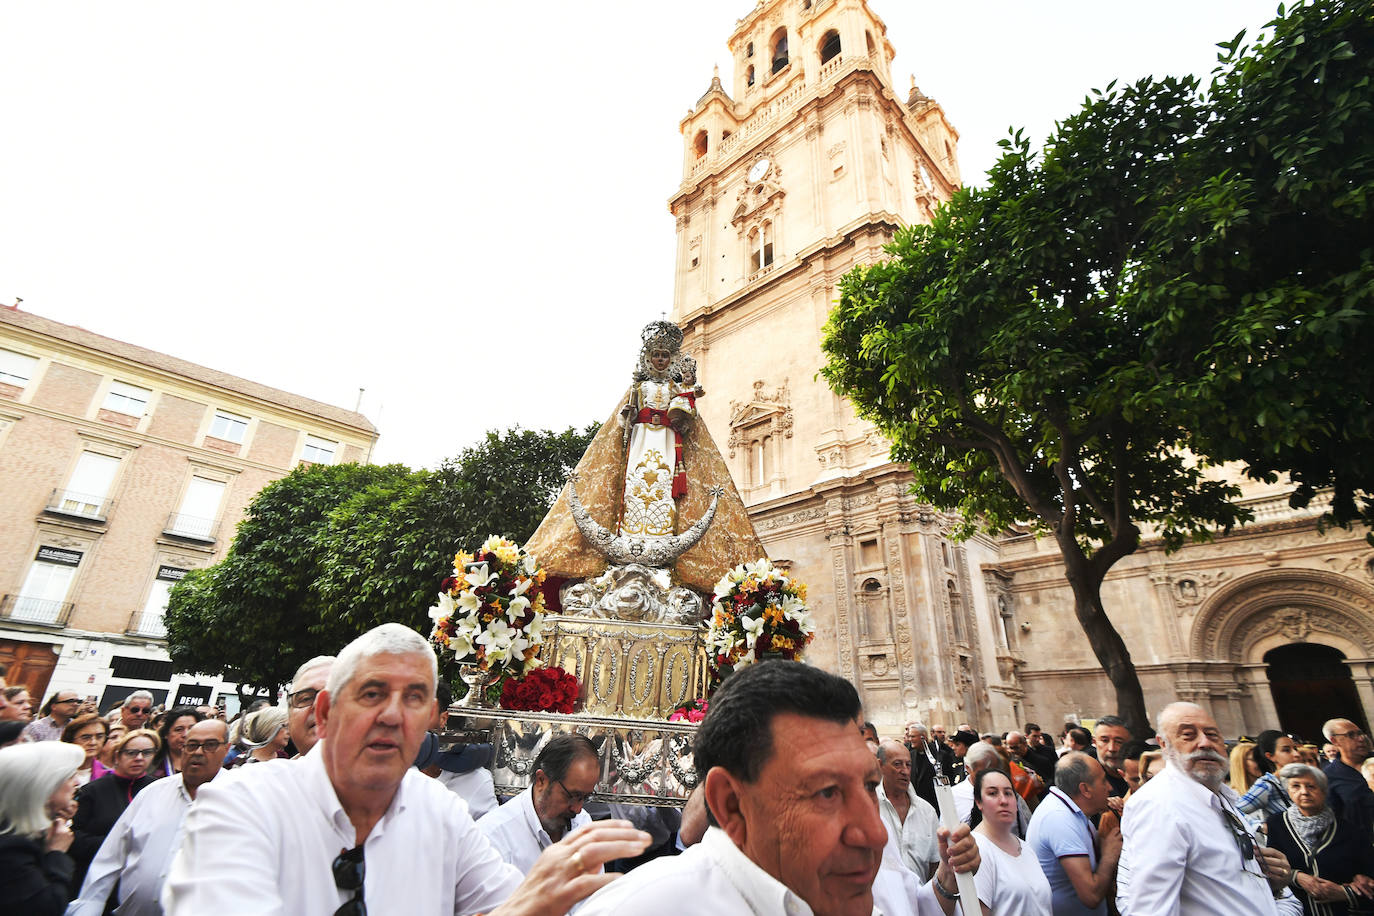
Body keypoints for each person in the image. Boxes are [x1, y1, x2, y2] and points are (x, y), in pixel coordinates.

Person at [163, 623, 650, 915]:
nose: (393, 715)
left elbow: (509, 902)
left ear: (431, 723)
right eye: (373, 693)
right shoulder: (239, 803)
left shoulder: (442, 813)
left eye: (414, 698)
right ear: (327, 712)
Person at [578, 660, 982, 916]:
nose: (876, 834)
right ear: (732, 805)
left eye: (868, 786)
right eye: (827, 793)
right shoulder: (640, 908)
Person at [1116, 701, 1300, 915]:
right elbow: (1151, 910)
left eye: (1212, 735)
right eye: (1188, 735)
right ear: (1164, 744)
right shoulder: (1160, 804)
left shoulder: (1222, 797)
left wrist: (1272, 886)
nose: (1205, 743)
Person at [68, 719, 230, 915]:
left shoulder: (237, 800)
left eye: (210, 745)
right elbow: (111, 856)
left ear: (227, 748)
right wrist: (89, 905)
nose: (198, 752)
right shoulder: (152, 793)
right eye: (192, 745)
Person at [479, 733, 601, 874]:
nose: (578, 809)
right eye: (573, 796)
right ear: (541, 780)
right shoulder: (493, 838)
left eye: (585, 798)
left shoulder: (583, 823)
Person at [1266, 762, 1374, 915]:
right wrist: (1297, 877)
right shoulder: (1277, 824)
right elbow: (1271, 870)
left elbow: (1368, 878)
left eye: (1311, 786)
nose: (1304, 792)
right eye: (1296, 786)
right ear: (1288, 791)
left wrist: (1345, 893)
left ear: (1324, 791)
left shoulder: (1349, 830)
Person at [1025, 752, 1119, 915]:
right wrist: (1109, 856)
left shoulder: (1067, 810)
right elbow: (1091, 896)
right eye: (1103, 781)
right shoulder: (1059, 819)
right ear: (1085, 789)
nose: (1109, 788)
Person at [71, 727, 159, 893]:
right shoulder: (93, 790)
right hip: (94, 877)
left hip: (139, 882)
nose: (139, 758)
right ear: (117, 755)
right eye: (131, 752)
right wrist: (118, 845)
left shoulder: (158, 788)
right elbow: (74, 837)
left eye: (147, 752)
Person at [0, 741, 83, 916]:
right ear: (44, 785)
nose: (77, 782)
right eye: (70, 776)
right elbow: (46, 908)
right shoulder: (12, 848)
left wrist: (53, 816)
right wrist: (57, 853)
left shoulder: (18, 828)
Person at [969, 767, 1052, 915]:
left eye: (1008, 793)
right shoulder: (977, 849)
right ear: (979, 802)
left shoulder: (1025, 847)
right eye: (992, 793)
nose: (1003, 800)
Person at [876, 738, 940, 882]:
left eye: (908, 765)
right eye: (897, 764)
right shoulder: (869, 807)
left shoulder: (927, 812)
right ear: (879, 765)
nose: (904, 771)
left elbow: (934, 864)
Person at [1321, 718, 1374, 840]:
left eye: (1360, 733)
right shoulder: (1330, 776)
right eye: (1351, 735)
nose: (1360, 739)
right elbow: (1332, 816)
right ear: (1334, 740)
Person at [1239, 729, 1299, 828]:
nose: (1296, 754)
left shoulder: (1304, 777)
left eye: (1295, 749)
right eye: (1286, 750)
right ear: (1270, 756)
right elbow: (1236, 812)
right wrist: (1259, 826)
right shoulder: (1267, 784)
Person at [284, 655, 334, 756]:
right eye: (306, 698)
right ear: (288, 721)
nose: (318, 704)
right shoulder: (261, 772)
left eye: (333, 695)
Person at [223, 705, 288, 768]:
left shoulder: (282, 757)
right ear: (269, 727)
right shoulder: (241, 762)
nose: (289, 731)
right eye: (285, 726)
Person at [150, 706, 203, 779]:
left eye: (191, 728)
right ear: (166, 733)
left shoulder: (209, 764)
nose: (186, 734)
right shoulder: (151, 764)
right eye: (179, 729)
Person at [60, 714, 108, 786]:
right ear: (70, 740)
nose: (93, 742)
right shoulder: (57, 773)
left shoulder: (108, 775)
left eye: (99, 736)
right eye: (86, 737)